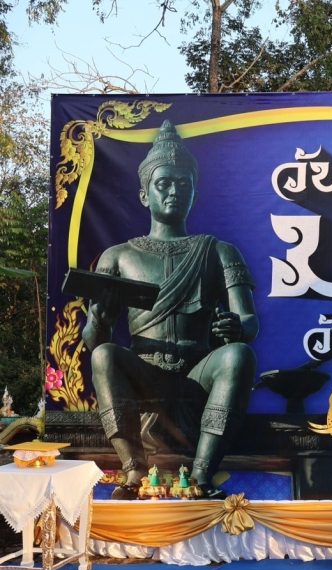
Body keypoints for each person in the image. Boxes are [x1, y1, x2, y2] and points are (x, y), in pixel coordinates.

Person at [82, 120, 258, 500]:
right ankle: (134, 469)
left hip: (199, 370)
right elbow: (94, 340)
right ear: (144, 194)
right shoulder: (118, 257)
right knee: (104, 355)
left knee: (239, 355)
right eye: (163, 183)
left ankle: (202, 475)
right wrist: (99, 317)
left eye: (183, 183)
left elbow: (249, 321)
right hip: (145, 372)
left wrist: (235, 328)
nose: (174, 191)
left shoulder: (218, 251)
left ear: (194, 193)